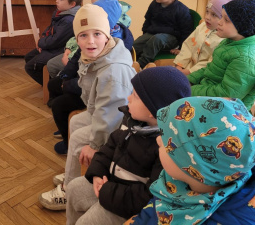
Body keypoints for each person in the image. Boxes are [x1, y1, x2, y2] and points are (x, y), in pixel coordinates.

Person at [124, 96, 255, 224]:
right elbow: (157, 207)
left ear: (194, 165)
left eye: (168, 143)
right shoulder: (183, 177)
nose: (158, 140)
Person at [38, 4, 135, 211]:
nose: (90, 41)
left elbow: (112, 115)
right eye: (83, 35)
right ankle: (73, 174)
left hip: (121, 126)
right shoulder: (94, 55)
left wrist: (95, 144)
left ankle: (69, 190)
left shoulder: (113, 71)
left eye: (97, 34)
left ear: (107, 35)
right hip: (102, 113)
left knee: (78, 139)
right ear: (76, 38)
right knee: (75, 121)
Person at [66, 67, 192, 225]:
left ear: (153, 110)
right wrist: (97, 172)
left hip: (128, 205)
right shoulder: (131, 120)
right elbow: (109, 148)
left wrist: (107, 191)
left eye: (135, 96)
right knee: (74, 188)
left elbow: (149, 196)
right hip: (110, 184)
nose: (128, 98)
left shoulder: (166, 148)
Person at [49, 0, 123, 145]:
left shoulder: (110, 51)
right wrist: (65, 76)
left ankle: (67, 140)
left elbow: (95, 83)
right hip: (83, 84)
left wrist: (69, 85)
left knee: (59, 105)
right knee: (54, 84)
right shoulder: (94, 38)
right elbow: (76, 59)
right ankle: (66, 128)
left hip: (93, 96)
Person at [188, 0, 255, 110]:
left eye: (226, 20)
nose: (219, 22)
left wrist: (190, 90)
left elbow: (227, 95)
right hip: (207, 97)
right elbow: (211, 70)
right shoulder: (230, 42)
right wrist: (188, 80)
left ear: (244, 27)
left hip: (225, 112)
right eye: (221, 17)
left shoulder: (245, 59)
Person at [46, 0, 132, 79]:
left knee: (52, 65)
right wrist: (69, 48)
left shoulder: (107, 24)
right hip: (78, 53)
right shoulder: (115, 19)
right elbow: (80, 36)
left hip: (86, 62)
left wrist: (70, 56)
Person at [24, 0, 83, 86]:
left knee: (31, 66)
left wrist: (41, 43)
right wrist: (42, 39)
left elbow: (56, 40)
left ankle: (52, 86)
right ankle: (47, 83)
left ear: (72, 4)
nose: (56, 0)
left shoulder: (69, 20)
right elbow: (50, 29)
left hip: (59, 50)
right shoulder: (60, 12)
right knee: (29, 57)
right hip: (53, 46)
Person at [133, 0, 193, 69]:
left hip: (171, 38)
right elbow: (148, 20)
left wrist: (181, 48)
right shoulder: (154, 4)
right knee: (136, 44)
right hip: (153, 34)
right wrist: (145, 35)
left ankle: (141, 65)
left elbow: (186, 31)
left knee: (157, 39)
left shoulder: (181, 10)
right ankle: (128, 61)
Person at [172, 0, 239, 75]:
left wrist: (189, 72)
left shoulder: (224, 39)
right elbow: (188, 45)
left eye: (214, 15)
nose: (207, 17)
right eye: (207, 12)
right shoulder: (203, 26)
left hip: (201, 75)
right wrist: (179, 65)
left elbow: (210, 63)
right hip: (185, 67)